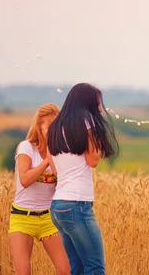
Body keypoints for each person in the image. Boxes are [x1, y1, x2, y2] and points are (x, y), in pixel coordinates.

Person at [47, 83, 119, 275]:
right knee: (95, 267)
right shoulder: (88, 122)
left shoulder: (55, 127)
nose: (101, 109)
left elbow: (54, 169)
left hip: (58, 206)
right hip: (77, 204)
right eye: (97, 104)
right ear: (87, 103)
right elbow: (93, 160)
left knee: (76, 268)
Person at [9, 104, 69, 275]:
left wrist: (56, 159)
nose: (53, 132)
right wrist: (46, 161)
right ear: (39, 127)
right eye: (49, 127)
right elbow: (25, 179)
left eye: (57, 127)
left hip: (49, 218)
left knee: (66, 270)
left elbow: (63, 183)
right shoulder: (26, 147)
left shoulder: (61, 152)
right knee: (23, 272)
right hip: (23, 217)